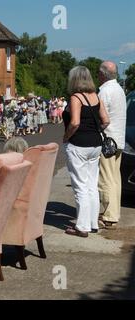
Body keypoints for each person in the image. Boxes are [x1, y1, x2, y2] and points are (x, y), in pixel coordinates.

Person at [62, 66, 110, 237]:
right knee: (91, 185)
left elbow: (74, 122)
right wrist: (93, 131)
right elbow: (106, 121)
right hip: (95, 144)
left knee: (80, 186)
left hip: (78, 144)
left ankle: (82, 226)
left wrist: (66, 137)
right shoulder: (96, 96)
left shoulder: (76, 98)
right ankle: (92, 223)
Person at [98, 61, 128, 229]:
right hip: (118, 139)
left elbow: (100, 116)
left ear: (102, 74)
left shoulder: (104, 91)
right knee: (115, 178)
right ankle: (113, 213)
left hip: (108, 140)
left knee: (106, 178)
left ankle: (109, 216)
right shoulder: (119, 90)